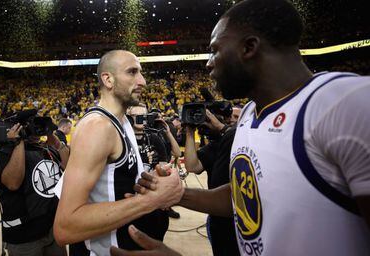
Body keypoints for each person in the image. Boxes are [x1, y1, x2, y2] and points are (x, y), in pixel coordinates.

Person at [111, 0, 370, 255]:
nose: (208, 63)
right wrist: (175, 194)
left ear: (249, 47)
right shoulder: (248, 113)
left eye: (215, 50)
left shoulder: (346, 103)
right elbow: (247, 197)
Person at [53, 50, 184, 255]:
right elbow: (65, 227)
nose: (142, 81)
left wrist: (151, 182)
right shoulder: (97, 127)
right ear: (108, 79)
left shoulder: (122, 122)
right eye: (132, 72)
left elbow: (112, 186)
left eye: (141, 72)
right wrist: (150, 200)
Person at [0, 114, 68, 256]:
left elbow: (67, 165)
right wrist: (19, 141)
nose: (36, 129)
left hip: (52, 229)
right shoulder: (6, 153)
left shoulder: (46, 149)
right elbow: (13, 183)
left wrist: (50, 134)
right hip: (24, 236)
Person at [184, 109, 238, 256]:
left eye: (237, 117)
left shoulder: (247, 141)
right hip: (218, 217)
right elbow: (192, 166)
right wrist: (189, 132)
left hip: (241, 217)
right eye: (230, 116)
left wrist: (222, 128)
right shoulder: (217, 145)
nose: (232, 119)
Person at [128, 104, 182, 219]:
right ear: (128, 118)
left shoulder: (154, 138)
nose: (139, 118)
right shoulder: (123, 139)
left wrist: (161, 169)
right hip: (129, 196)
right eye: (135, 115)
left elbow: (163, 166)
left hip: (150, 194)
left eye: (142, 116)